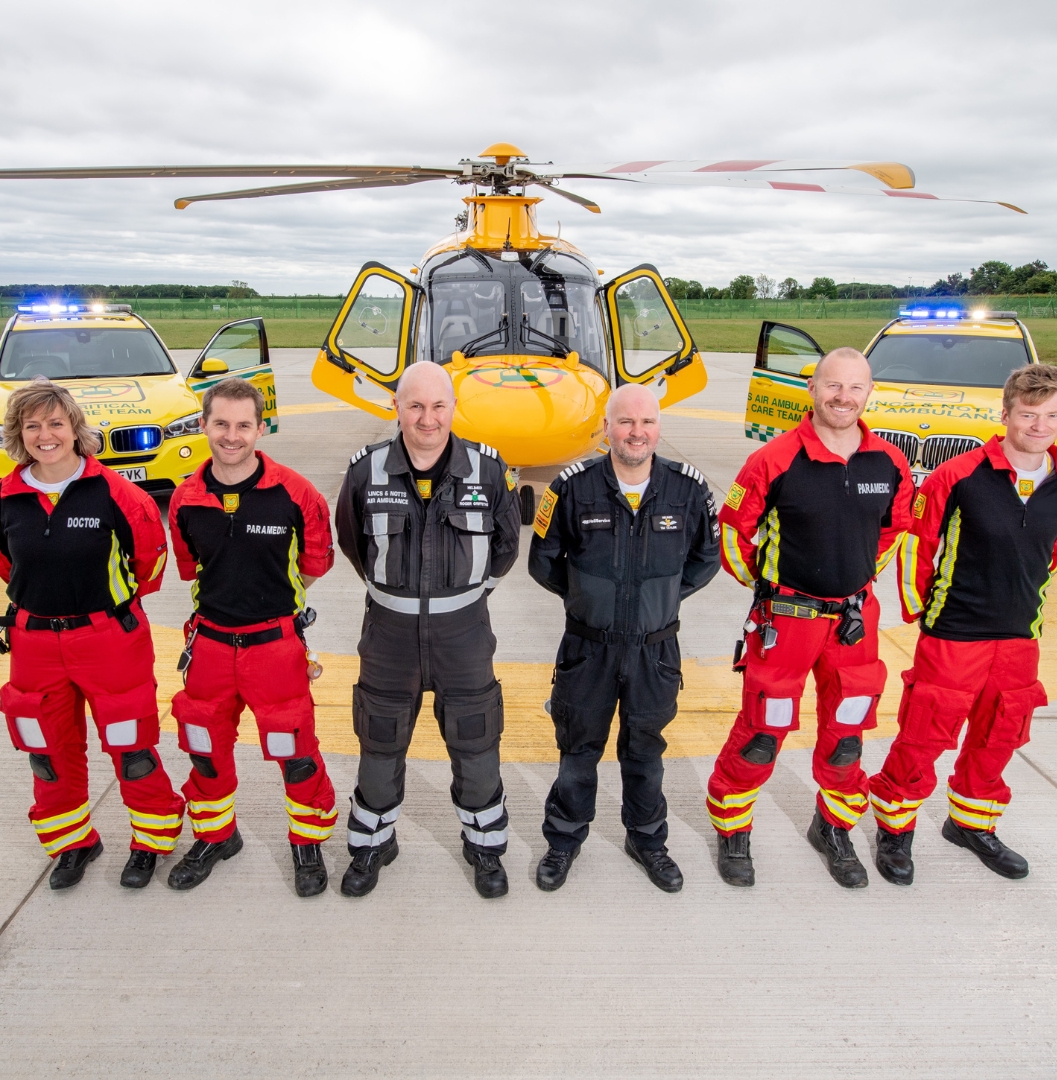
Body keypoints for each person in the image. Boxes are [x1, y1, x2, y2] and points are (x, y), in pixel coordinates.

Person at [708, 348, 914, 889]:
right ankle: (733, 828)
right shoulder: (771, 460)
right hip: (786, 622)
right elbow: (733, 534)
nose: (843, 397)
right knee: (763, 729)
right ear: (813, 389)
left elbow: (893, 531)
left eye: (855, 388)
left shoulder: (889, 463)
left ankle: (833, 827)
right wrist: (774, 590)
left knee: (847, 733)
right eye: (832, 386)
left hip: (853, 622)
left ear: (869, 394)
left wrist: (855, 579)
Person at [870, 364, 1057, 885]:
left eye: (1052, 414)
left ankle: (970, 824)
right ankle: (895, 828)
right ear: (1006, 413)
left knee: (999, 735)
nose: (1039, 425)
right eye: (1028, 414)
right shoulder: (957, 475)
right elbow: (917, 547)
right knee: (924, 736)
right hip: (954, 636)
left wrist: (1019, 596)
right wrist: (929, 615)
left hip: (1018, 638)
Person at [336, 360, 520, 899]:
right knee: (380, 740)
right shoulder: (364, 471)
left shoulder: (488, 470)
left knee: (476, 740)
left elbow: (506, 547)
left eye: (438, 406)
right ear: (396, 407)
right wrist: (395, 595)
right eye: (414, 405)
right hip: (389, 634)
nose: (427, 418)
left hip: (463, 633)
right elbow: (352, 542)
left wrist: (464, 595)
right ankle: (371, 845)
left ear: (453, 409)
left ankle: (485, 849)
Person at [528, 383, 720, 892]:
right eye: (626, 422)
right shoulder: (571, 488)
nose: (637, 432)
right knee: (578, 753)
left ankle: (648, 840)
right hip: (588, 649)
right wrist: (592, 602)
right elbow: (543, 562)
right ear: (606, 428)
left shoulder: (688, 490)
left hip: (655, 651)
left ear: (658, 427)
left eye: (647, 422)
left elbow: (707, 559)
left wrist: (661, 600)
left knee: (645, 754)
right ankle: (564, 841)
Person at [0, 379, 183, 890]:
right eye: (31, 425)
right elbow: (8, 566)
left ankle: (151, 840)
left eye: (55, 423)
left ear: (76, 430)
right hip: (34, 644)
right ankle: (71, 843)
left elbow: (150, 562)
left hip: (109, 640)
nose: (45, 435)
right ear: (18, 434)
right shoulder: (7, 499)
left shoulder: (117, 494)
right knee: (47, 751)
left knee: (132, 746)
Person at [168, 377, 337, 897]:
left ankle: (306, 842)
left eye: (244, 424)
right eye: (221, 423)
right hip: (211, 649)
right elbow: (191, 567)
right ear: (204, 425)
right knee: (204, 747)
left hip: (275, 649)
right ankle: (217, 836)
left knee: (296, 751)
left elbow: (315, 563)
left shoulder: (296, 494)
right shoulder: (185, 499)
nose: (232, 435)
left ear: (261, 428)